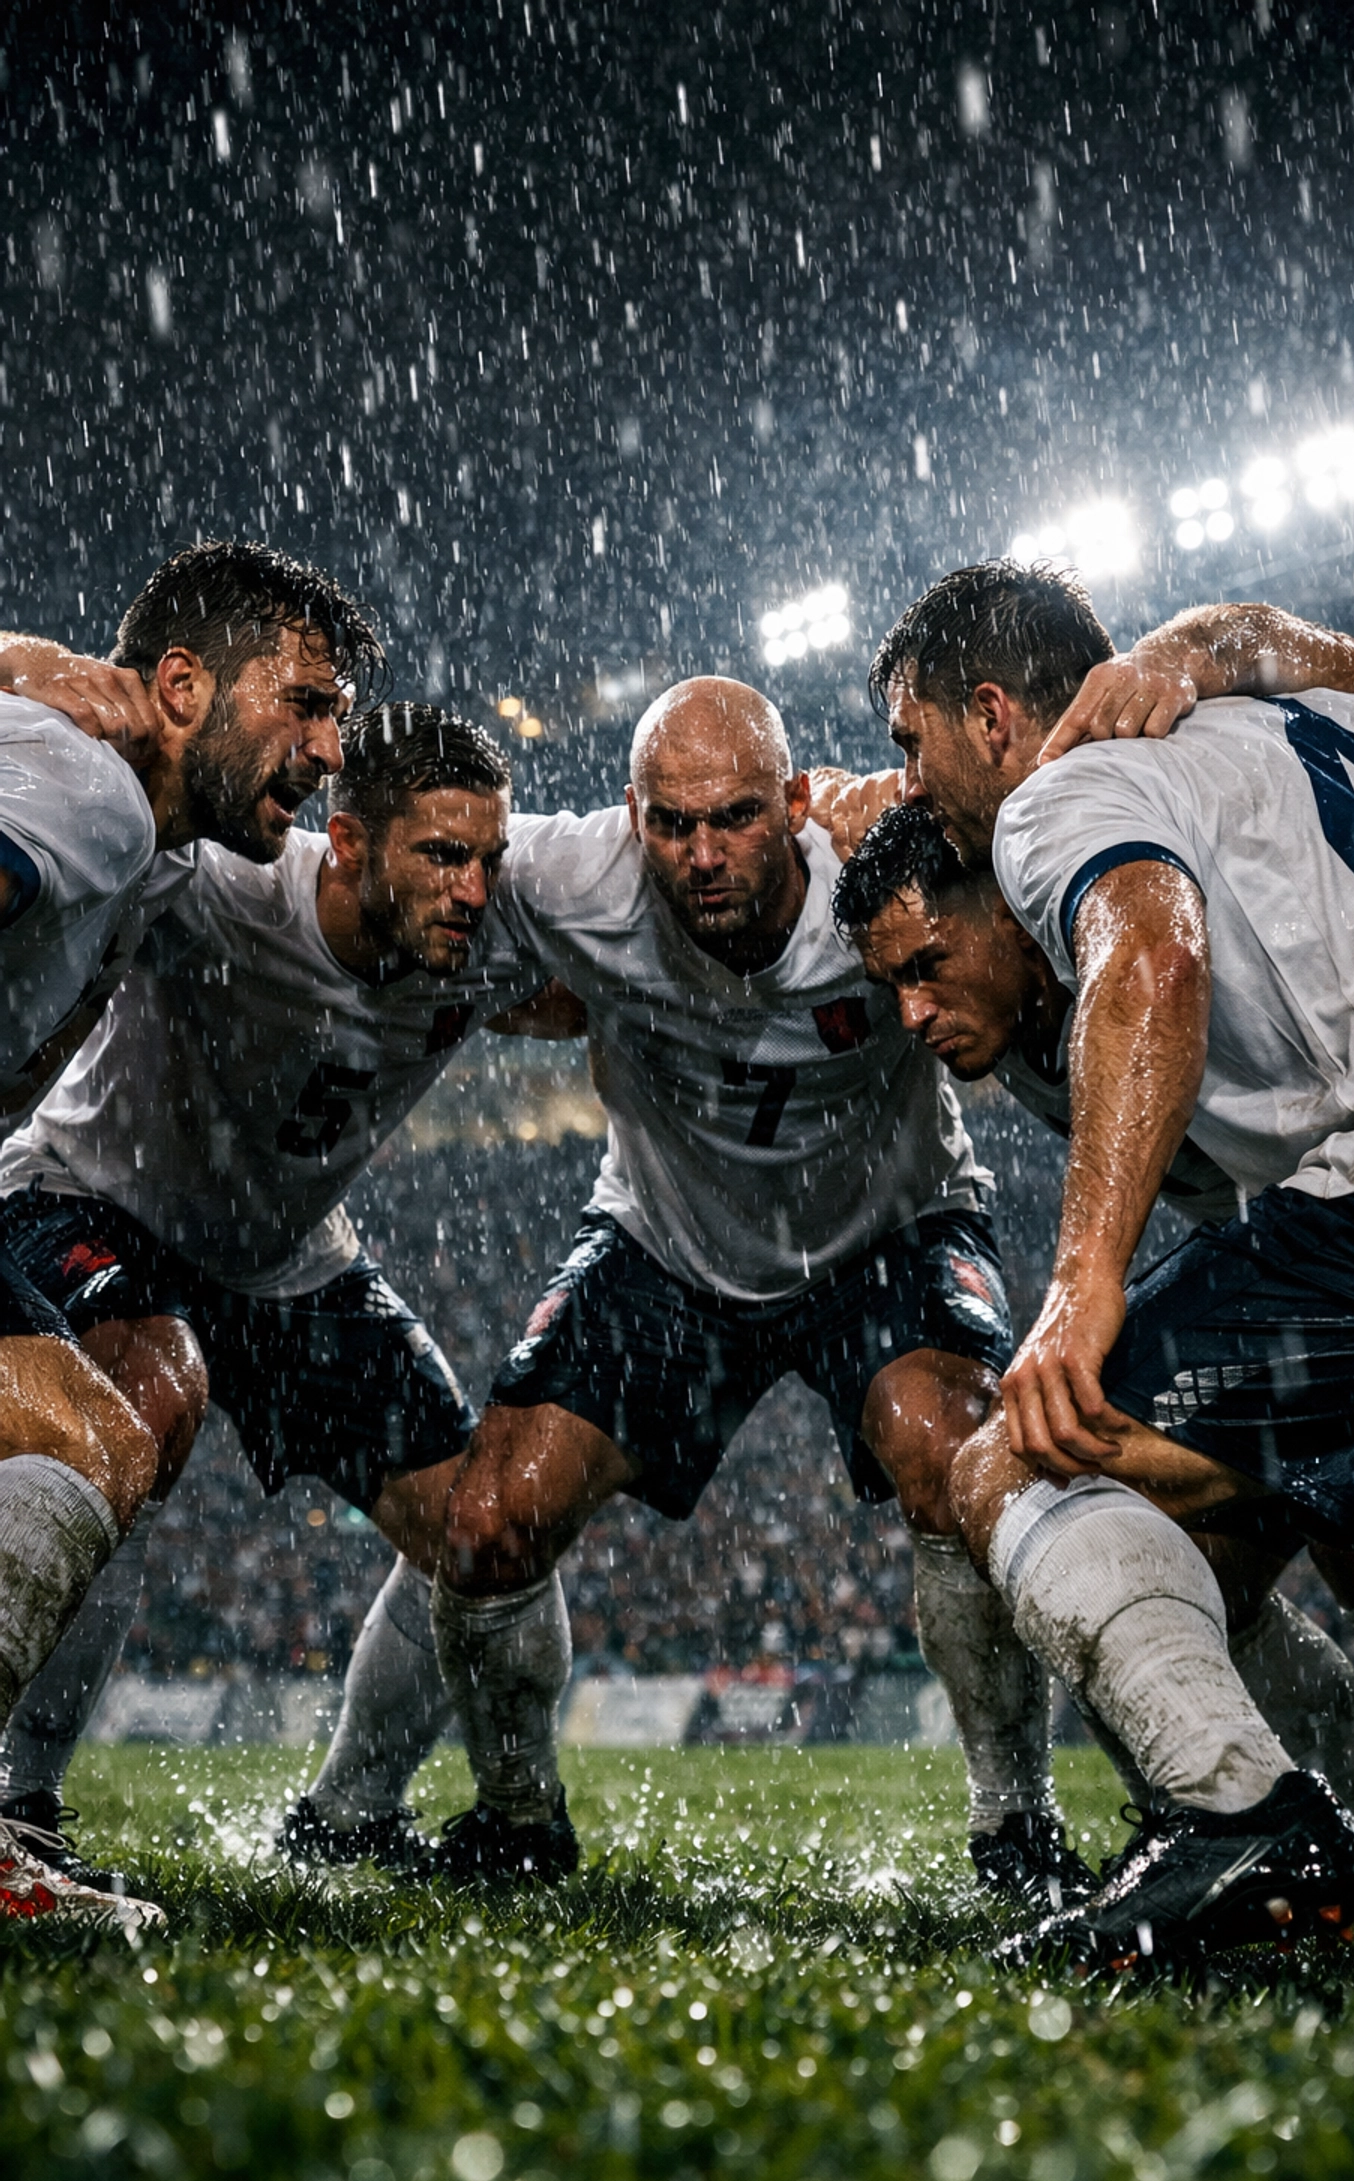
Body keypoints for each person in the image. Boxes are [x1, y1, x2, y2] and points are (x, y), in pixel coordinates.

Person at [871, 556, 1354, 1966]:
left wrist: (1081, 1283)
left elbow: (1151, 967)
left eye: (909, 741)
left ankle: (1244, 1823)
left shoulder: (1061, 793)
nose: (909, 781)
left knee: (1017, 1460)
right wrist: (1269, 641)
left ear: (993, 715)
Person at [420, 673, 1094, 1911]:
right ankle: (516, 1819)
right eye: (671, 826)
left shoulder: (881, 876)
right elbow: (409, 891)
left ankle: (1017, 1821)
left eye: (735, 818)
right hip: (669, 1246)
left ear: (796, 803)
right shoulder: (575, 879)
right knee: (485, 1522)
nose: (702, 855)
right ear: (633, 818)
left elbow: (1038, 848)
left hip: (882, 1233)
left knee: (957, 1460)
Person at [0, 702, 563, 1886]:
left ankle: (363, 1812)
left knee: (485, 1527)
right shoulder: (222, 889)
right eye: (442, 856)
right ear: (350, 842)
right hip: (94, 1201)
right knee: (132, 1417)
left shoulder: (497, 938)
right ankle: (24, 1803)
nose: (474, 889)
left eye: (490, 860)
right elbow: (89, 876)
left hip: (287, 1261)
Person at [0, 540, 381, 1924]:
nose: (330, 748)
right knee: (89, 1433)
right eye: (305, 704)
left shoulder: (150, 848)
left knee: (104, 1429)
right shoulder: (92, 800)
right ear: (177, 687)